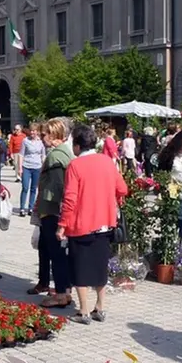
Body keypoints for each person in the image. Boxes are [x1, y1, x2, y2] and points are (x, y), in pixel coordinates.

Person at [57, 125, 128, 325]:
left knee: (79, 268)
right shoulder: (106, 161)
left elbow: (70, 199)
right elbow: (122, 188)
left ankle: (83, 311)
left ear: (77, 145)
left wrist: (62, 225)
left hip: (81, 224)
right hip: (105, 223)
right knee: (99, 267)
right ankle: (100, 307)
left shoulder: (75, 166)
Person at [33, 119, 74, 308]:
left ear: (53, 135)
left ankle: (60, 294)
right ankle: (64, 290)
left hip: (52, 211)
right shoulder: (65, 152)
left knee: (56, 253)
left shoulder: (56, 155)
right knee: (58, 252)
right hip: (57, 210)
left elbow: (59, 186)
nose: (42, 138)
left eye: (44, 134)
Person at [158, 130, 182, 239]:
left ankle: (179, 246)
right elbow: (161, 173)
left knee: (179, 222)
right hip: (173, 190)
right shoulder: (169, 156)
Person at [19, 123, 46, 217]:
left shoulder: (41, 142)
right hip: (26, 165)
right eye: (31, 131)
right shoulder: (25, 141)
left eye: (34, 131)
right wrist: (20, 168)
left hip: (37, 166)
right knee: (25, 187)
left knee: (34, 189)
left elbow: (43, 155)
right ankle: (22, 208)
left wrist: (44, 166)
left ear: (37, 132)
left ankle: (31, 207)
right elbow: (21, 154)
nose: (32, 132)